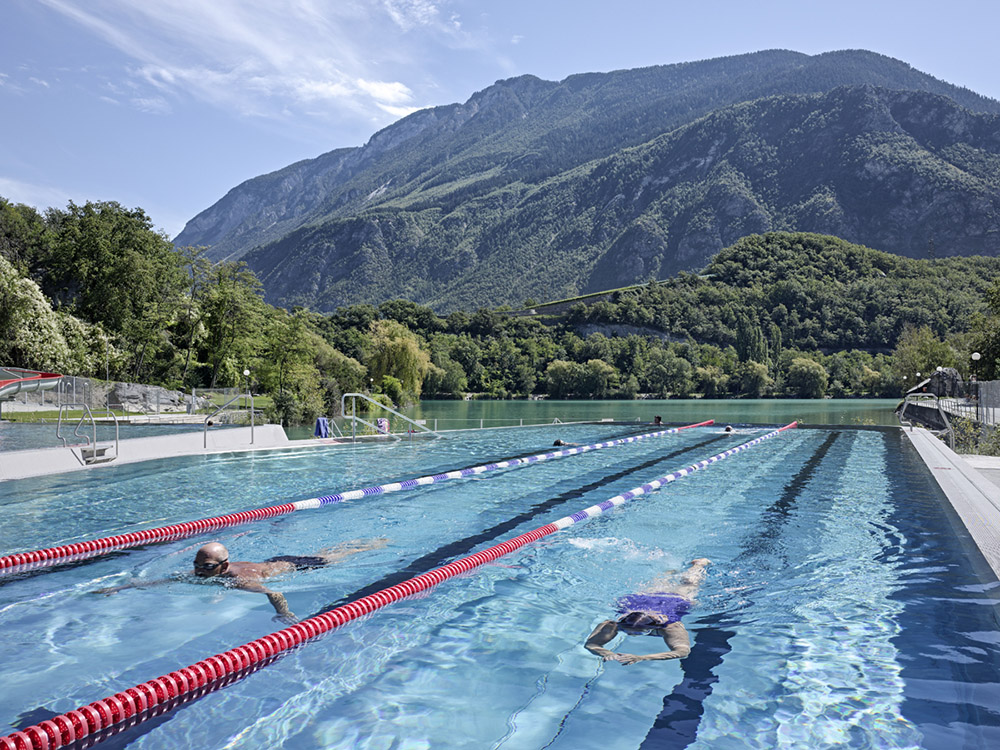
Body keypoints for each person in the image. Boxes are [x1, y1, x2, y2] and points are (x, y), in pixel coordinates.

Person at [95, 538, 388, 621]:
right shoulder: (205, 572)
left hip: (293, 566)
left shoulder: (239, 581)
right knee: (326, 549)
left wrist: (286, 617)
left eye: (206, 568)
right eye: (197, 566)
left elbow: (273, 594)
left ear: (223, 567)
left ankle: (369, 545)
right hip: (273, 560)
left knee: (335, 556)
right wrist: (120, 588)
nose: (199, 572)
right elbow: (164, 581)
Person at [585, 558, 710, 665]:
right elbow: (591, 644)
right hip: (643, 600)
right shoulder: (612, 624)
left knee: (689, 585)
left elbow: (683, 651)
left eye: (641, 633)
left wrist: (642, 658)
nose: (631, 635)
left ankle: (699, 564)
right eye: (626, 630)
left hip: (674, 602)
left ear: (653, 626)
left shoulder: (671, 627)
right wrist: (607, 653)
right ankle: (672, 568)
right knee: (659, 582)